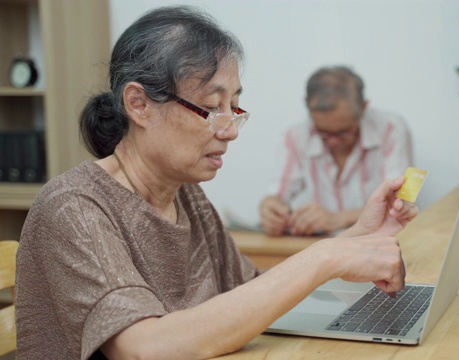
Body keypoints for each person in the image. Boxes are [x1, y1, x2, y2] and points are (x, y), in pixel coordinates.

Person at [14, 6, 419, 360]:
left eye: (234, 107)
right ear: (138, 104)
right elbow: (143, 349)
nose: (230, 131)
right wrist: (325, 257)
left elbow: (255, 296)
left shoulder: (185, 194)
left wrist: (353, 238)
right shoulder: (74, 207)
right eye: (211, 108)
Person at [259, 66, 413, 236]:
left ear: (363, 108)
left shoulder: (394, 129)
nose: (333, 142)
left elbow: (403, 203)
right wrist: (270, 209)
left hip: (380, 246)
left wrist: (337, 218)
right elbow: (275, 195)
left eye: (343, 132)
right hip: (323, 249)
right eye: (323, 133)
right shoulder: (295, 136)